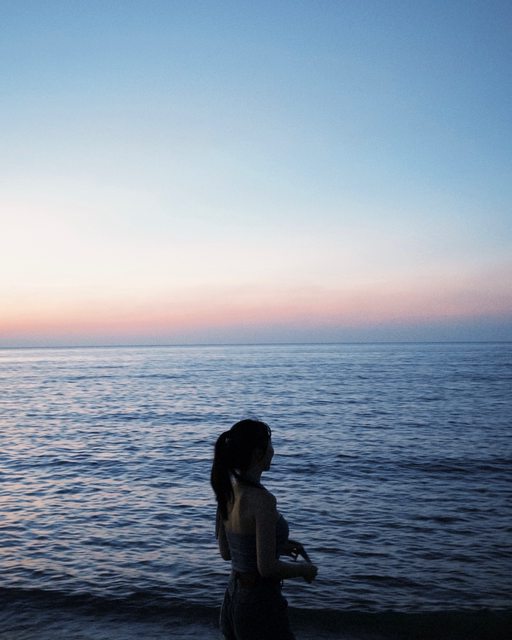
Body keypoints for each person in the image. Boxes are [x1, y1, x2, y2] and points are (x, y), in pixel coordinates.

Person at [211, 419, 318, 640]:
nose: (273, 451)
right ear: (258, 453)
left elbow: (227, 552)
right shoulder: (263, 500)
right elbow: (267, 568)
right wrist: (304, 570)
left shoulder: (228, 492)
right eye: (270, 445)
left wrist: (278, 545)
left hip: (232, 599)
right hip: (260, 605)